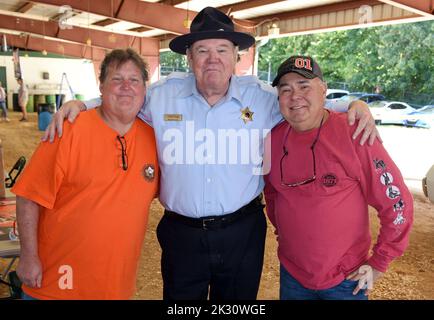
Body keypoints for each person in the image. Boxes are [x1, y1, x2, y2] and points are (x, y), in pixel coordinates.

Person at [43, 7, 379, 300]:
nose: (212, 58)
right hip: (181, 234)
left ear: (237, 56)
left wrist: (353, 104)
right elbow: (121, 98)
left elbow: (305, 100)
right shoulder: (162, 96)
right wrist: (81, 104)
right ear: (189, 58)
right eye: (202, 50)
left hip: (242, 231)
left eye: (222, 49)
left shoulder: (261, 97)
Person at [11, 48, 159, 299]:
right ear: (101, 87)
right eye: (116, 79)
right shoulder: (67, 130)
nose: (126, 87)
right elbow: (28, 196)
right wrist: (28, 256)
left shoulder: (153, 139)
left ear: (145, 89)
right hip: (56, 284)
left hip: (115, 287)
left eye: (134, 80)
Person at [263, 55, 413, 300]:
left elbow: (397, 202)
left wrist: (379, 263)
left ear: (323, 90)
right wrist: (286, 235)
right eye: (285, 89)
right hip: (292, 274)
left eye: (304, 86)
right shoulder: (272, 139)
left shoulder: (355, 132)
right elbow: (272, 194)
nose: (295, 96)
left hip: (346, 279)